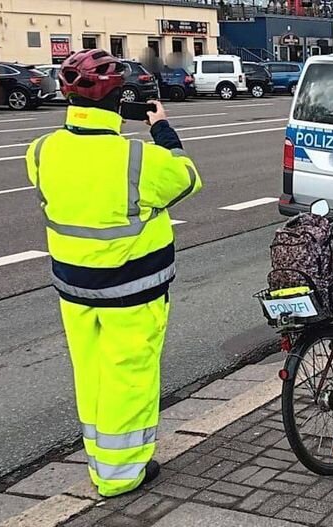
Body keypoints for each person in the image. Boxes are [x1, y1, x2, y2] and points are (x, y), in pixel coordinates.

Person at [24, 49, 201, 497]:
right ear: (121, 102)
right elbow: (186, 177)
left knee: (91, 373)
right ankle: (120, 474)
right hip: (133, 291)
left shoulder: (42, 150)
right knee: (129, 377)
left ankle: (98, 459)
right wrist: (160, 126)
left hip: (73, 288)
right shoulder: (138, 159)